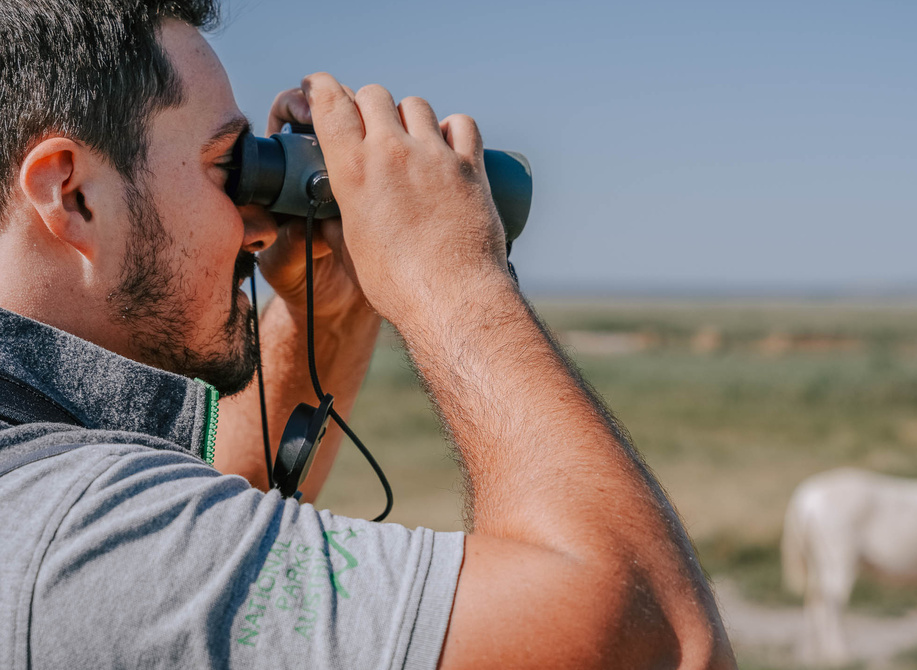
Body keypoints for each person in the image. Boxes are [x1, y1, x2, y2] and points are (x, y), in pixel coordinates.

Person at [0, 1, 735, 668]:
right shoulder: (72, 539)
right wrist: (451, 273)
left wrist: (335, 311)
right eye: (226, 167)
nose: (258, 227)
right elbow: (659, 640)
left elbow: (204, 539)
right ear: (71, 193)